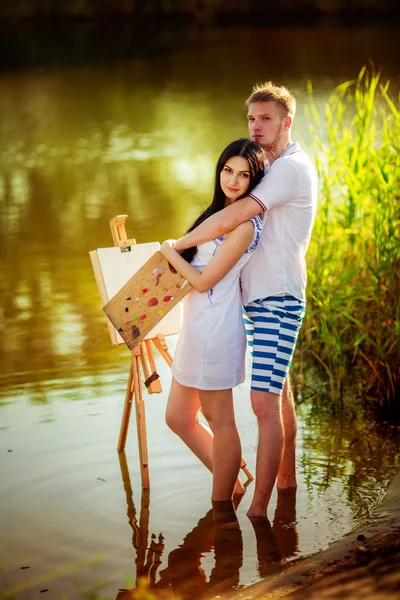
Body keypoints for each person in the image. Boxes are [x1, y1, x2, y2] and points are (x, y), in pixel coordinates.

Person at [172, 82, 318, 517]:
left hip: (277, 296)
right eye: (251, 118)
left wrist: (176, 246)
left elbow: (235, 216)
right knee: (277, 392)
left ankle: (257, 511)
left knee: (262, 403)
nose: (256, 126)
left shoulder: (289, 169)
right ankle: (286, 483)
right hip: (253, 299)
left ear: (286, 122)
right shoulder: (268, 167)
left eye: (266, 119)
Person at [160, 138, 265, 502]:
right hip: (196, 326)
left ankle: (221, 505)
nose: (233, 181)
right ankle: (231, 486)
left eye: (243, 175)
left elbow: (204, 281)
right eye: (227, 171)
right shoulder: (217, 215)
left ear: (255, 182)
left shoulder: (245, 226)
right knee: (177, 417)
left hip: (216, 328)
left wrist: (169, 251)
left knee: (222, 423)